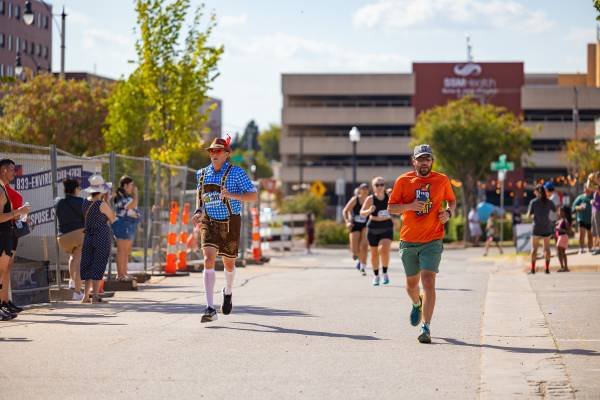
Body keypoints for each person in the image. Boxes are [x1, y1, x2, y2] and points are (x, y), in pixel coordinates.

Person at [388, 144, 456, 344]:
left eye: (427, 159)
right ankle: (417, 303)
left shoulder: (441, 180)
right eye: (420, 159)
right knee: (411, 285)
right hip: (408, 241)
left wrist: (448, 213)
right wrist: (409, 206)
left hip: (432, 240)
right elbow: (391, 208)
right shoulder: (403, 181)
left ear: (432, 161)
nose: (424, 162)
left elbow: (451, 201)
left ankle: (426, 327)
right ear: (414, 161)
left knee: (428, 281)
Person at [191, 137, 258, 323]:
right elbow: (200, 196)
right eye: (211, 151)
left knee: (229, 263)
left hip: (230, 222)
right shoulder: (202, 173)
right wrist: (198, 211)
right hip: (209, 221)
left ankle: (228, 291)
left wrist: (232, 195)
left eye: (218, 151)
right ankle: (210, 308)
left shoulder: (237, 173)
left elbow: (253, 196)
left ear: (227, 154)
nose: (214, 154)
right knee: (208, 259)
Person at [0, 159, 30, 320]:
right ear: (4, 170)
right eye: (12, 169)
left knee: (4, 269)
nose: (15, 172)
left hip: (8, 232)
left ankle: (3, 302)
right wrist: (18, 212)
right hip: (3, 232)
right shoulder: (1, 189)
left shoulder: (4, 188)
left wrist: (20, 214)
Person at [80, 174, 115, 303]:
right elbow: (112, 218)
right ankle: (95, 295)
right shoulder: (102, 204)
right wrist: (108, 201)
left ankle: (85, 296)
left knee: (87, 264)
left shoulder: (85, 202)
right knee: (98, 264)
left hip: (88, 236)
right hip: (101, 236)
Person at [55, 178, 85, 301]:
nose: (80, 190)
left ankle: (72, 282)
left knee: (72, 257)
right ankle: (77, 292)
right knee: (79, 262)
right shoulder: (82, 202)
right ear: (75, 189)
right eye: (79, 188)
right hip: (78, 235)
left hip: (62, 237)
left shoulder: (58, 202)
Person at [360, 177, 393, 286]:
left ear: (384, 186)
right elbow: (362, 213)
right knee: (374, 254)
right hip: (373, 227)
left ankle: (385, 273)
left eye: (381, 184)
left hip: (387, 226)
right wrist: (369, 210)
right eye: (377, 185)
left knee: (384, 249)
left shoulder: (389, 196)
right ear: (373, 187)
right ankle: (376, 275)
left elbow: (399, 205)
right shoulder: (370, 199)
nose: (379, 187)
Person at [112, 176, 141, 281]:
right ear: (125, 185)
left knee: (126, 251)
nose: (133, 187)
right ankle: (120, 275)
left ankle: (124, 273)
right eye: (131, 185)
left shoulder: (127, 196)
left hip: (129, 225)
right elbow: (131, 205)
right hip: (122, 224)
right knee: (122, 250)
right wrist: (136, 194)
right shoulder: (120, 196)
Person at [527, 184, 556, 274]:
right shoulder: (549, 201)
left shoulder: (533, 202)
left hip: (536, 227)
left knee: (534, 249)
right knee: (547, 248)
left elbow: (528, 215)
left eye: (534, 191)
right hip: (546, 227)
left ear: (537, 192)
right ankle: (547, 268)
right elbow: (555, 210)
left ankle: (532, 269)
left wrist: (533, 216)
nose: (533, 193)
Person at [342, 183, 369, 275]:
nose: (365, 190)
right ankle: (358, 258)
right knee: (354, 249)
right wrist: (347, 222)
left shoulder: (370, 200)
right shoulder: (355, 199)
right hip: (355, 224)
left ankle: (363, 265)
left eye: (366, 188)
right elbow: (345, 210)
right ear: (360, 190)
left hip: (366, 224)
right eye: (363, 188)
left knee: (364, 245)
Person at [571, 184, 594, 254]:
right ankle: (581, 248)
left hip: (591, 219)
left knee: (590, 234)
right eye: (586, 188)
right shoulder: (580, 197)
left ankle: (590, 248)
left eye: (588, 188)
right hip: (582, 219)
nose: (587, 189)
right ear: (584, 189)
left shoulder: (594, 197)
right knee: (582, 234)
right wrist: (579, 207)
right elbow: (573, 207)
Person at [555, 206, 573, 272]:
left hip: (563, 236)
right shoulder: (560, 220)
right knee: (562, 252)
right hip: (561, 237)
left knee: (560, 252)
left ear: (564, 212)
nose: (558, 212)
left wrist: (559, 229)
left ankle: (564, 267)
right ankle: (564, 267)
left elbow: (568, 231)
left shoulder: (565, 220)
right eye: (558, 211)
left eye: (560, 211)